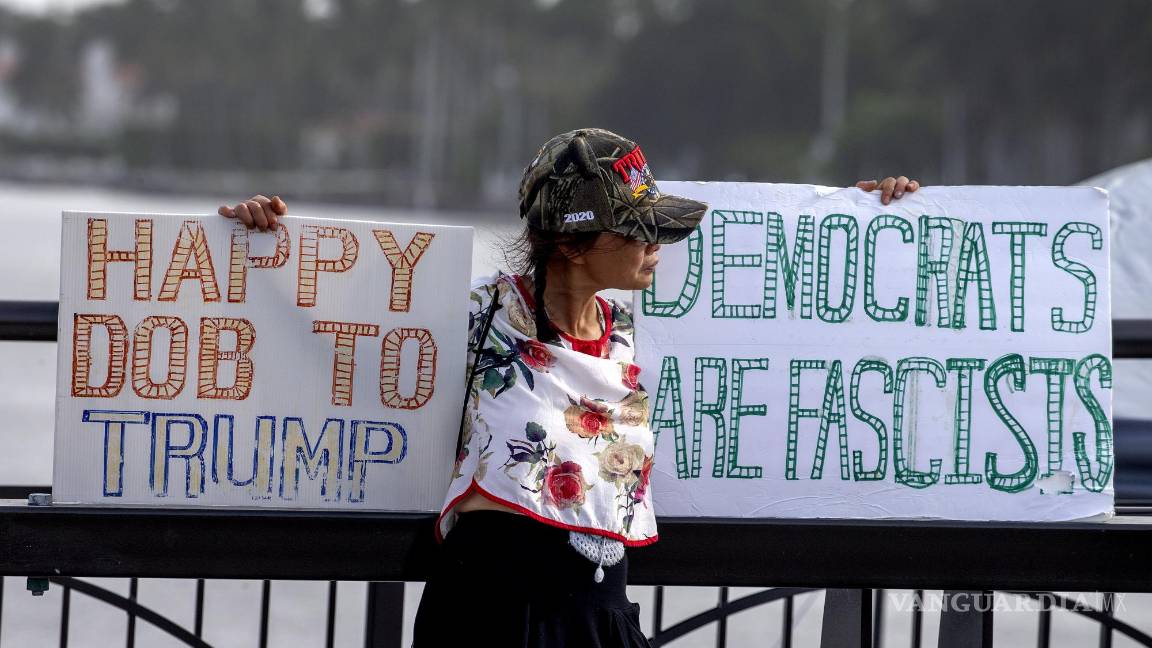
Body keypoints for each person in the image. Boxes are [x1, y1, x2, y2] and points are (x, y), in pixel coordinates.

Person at [219, 128, 919, 646]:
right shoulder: (474, 317)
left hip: (602, 620)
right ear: (572, 243)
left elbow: (789, 343)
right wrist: (260, 241)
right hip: (490, 622)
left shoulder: (643, 336)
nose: (656, 243)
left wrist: (861, 219)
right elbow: (331, 325)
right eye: (637, 229)